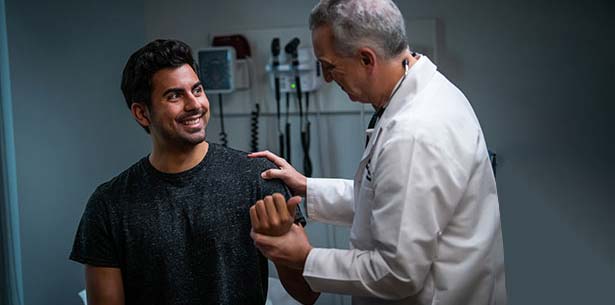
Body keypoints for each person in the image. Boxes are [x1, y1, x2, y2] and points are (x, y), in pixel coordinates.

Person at [248, 0, 507, 304]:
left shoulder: (413, 133)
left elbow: (397, 274)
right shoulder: (431, 89)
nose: (327, 79)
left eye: (329, 66)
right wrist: (307, 187)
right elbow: (391, 204)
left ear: (366, 59)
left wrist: (306, 258)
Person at [69, 39, 305, 305]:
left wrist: (282, 246)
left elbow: (308, 294)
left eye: (197, 90)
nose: (194, 104)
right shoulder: (108, 205)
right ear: (142, 114)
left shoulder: (259, 177)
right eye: (174, 95)